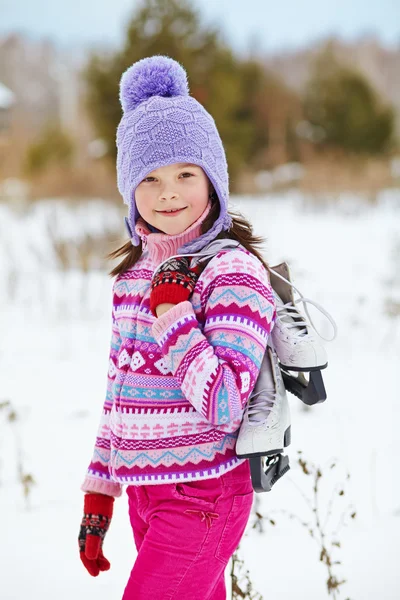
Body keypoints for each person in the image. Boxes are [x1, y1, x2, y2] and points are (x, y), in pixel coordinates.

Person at [78, 55, 276, 600]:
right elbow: (120, 394)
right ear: (128, 190)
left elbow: (225, 404)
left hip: (206, 494)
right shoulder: (131, 279)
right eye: (150, 178)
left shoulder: (231, 272)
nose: (169, 193)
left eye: (186, 174)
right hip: (144, 491)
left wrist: (174, 316)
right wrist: (101, 490)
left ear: (213, 179)